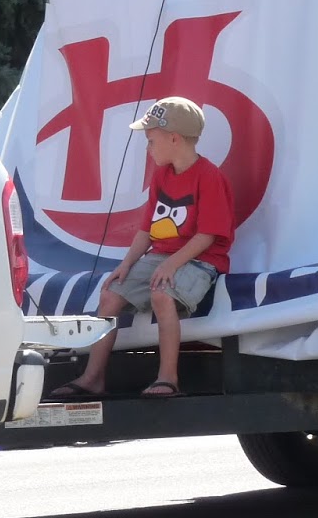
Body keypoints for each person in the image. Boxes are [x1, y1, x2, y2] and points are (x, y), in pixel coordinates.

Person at [51, 97, 234, 401]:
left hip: (200, 260)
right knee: (110, 293)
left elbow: (207, 236)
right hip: (163, 256)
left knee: (162, 295)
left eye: (151, 140)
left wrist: (171, 265)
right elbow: (147, 230)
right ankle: (93, 377)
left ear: (174, 138)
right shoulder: (162, 175)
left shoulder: (209, 177)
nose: (147, 148)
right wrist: (126, 264)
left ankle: (168, 378)